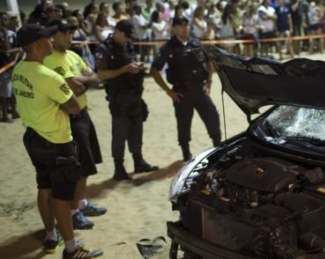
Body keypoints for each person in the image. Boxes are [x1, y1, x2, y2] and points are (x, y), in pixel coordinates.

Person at [13, 23, 103, 258]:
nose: (52, 41)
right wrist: (76, 91)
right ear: (39, 44)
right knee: (62, 196)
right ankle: (71, 248)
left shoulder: (19, 70)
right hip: (56, 140)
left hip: (33, 137)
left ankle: (51, 235)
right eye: (48, 39)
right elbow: (73, 107)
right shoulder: (48, 76)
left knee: (44, 187)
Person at [43, 19, 106, 231]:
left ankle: (80, 203)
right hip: (69, 117)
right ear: (54, 36)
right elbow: (75, 88)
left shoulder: (74, 55)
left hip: (84, 114)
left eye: (71, 33)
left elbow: (96, 79)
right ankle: (73, 212)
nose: (70, 37)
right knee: (77, 168)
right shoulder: (51, 59)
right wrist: (84, 80)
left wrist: (83, 80)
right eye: (65, 34)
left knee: (87, 165)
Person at [150, 16, 222, 161]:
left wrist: (209, 81)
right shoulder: (168, 47)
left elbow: (208, 61)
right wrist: (168, 91)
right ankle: (185, 152)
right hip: (181, 92)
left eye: (186, 25)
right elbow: (154, 70)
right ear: (174, 28)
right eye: (181, 25)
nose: (185, 28)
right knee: (183, 123)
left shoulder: (196, 42)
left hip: (200, 89)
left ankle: (217, 146)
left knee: (212, 117)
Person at [95, 20, 158, 180]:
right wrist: (126, 69)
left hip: (134, 95)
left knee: (137, 130)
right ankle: (119, 167)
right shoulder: (104, 49)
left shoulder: (127, 45)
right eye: (125, 35)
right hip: (119, 98)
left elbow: (130, 63)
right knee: (120, 133)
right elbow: (101, 74)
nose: (128, 39)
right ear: (116, 31)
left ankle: (138, 161)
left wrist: (137, 67)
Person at [0, 12, 19, 123]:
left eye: (6, 19)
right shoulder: (6, 34)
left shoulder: (12, 33)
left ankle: (15, 111)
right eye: (2, 19)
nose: (4, 22)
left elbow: (17, 47)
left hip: (12, 64)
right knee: (4, 92)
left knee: (12, 90)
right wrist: (5, 35)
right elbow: (5, 48)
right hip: (2, 67)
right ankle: (5, 115)